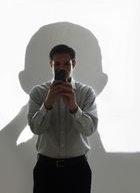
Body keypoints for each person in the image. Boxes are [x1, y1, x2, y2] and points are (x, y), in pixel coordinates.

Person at [27, 44, 98, 193]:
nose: (62, 68)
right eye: (57, 64)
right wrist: (48, 103)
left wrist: (73, 107)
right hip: (46, 169)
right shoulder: (38, 93)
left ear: (74, 64)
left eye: (67, 64)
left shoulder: (86, 93)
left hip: (77, 169)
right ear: (51, 65)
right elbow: (36, 128)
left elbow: (89, 129)